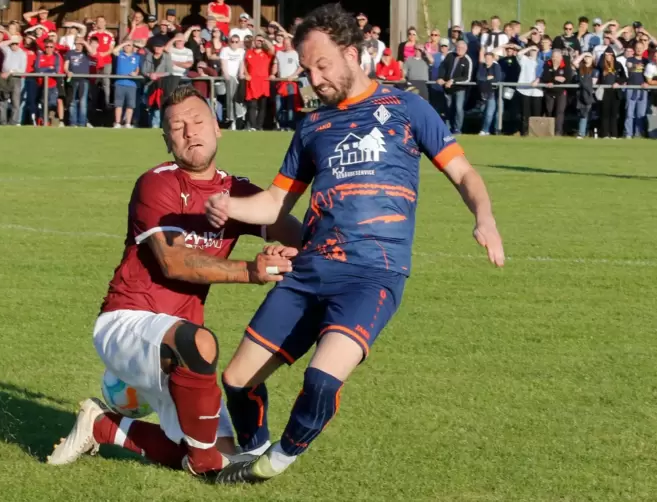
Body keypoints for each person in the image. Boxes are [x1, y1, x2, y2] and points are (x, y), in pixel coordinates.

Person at [206, 3, 504, 484]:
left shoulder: (407, 108)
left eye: (322, 65)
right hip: (307, 272)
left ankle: (276, 460)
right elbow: (273, 204)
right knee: (237, 381)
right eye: (306, 69)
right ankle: (253, 448)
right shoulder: (311, 127)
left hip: (372, 275)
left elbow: (463, 172)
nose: (314, 78)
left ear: (350, 53)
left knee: (321, 380)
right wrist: (229, 206)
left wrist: (484, 217)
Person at [46, 84, 300, 476]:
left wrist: (286, 255)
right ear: (167, 140)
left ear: (218, 127)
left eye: (197, 121)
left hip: (182, 353)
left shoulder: (237, 193)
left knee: (220, 461)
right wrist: (253, 269)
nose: (189, 132)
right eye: (177, 126)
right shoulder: (157, 183)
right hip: (126, 323)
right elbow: (174, 262)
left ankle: (102, 426)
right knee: (199, 341)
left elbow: (299, 237)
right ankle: (203, 457)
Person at [437, 40, 473, 134]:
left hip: (459, 88)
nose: (459, 49)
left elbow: (467, 78)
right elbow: (442, 67)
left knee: (458, 108)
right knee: (448, 108)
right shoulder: (450, 55)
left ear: (466, 49)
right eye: (458, 47)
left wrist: (453, 81)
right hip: (448, 88)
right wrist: (440, 77)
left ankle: (457, 129)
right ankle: (448, 128)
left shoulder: (467, 60)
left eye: (461, 48)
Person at [243, 33, 274, 131]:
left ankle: (259, 126)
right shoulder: (249, 53)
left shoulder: (267, 53)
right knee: (252, 105)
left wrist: (265, 41)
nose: (259, 42)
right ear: (254, 41)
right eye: (257, 40)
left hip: (264, 82)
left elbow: (272, 49)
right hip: (252, 82)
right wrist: (246, 73)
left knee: (262, 106)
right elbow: (243, 64)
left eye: (261, 41)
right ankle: (253, 126)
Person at [539, 49, 571, 136]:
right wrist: (555, 76)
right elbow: (545, 77)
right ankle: (548, 131)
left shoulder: (566, 64)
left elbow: (567, 78)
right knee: (549, 110)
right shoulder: (547, 64)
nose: (554, 59)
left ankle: (558, 132)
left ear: (561, 57)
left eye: (557, 57)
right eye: (553, 57)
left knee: (560, 112)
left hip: (561, 92)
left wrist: (554, 78)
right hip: (549, 92)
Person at [597, 47, 627, 139]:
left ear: (613, 55)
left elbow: (624, 77)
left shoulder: (618, 65)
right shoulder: (601, 65)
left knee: (614, 114)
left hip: (615, 92)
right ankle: (605, 134)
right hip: (605, 92)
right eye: (606, 55)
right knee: (605, 114)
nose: (608, 57)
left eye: (610, 55)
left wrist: (618, 82)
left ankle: (614, 134)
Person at [0, 35, 26, 126]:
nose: (14, 45)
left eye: (16, 44)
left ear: (19, 44)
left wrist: (10, 72)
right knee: (2, 100)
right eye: (12, 44)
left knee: (15, 101)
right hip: (4, 78)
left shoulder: (22, 54)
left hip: (15, 78)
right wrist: (11, 40)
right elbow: (0, 45)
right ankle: (2, 122)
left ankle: (13, 122)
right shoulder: (8, 50)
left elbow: (22, 70)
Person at [35, 38, 64, 126]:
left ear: (54, 48)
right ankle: (44, 120)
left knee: (52, 103)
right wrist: (49, 68)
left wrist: (45, 70)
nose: (49, 49)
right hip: (42, 84)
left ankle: (52, 118)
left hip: (53, 84)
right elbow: (37, 69)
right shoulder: (40, 56)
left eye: (51, 47)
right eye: (47, 47)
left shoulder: (56, 57)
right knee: (43, 103)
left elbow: (57, 69)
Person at [87, 17, 115, 108]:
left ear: (105, 23)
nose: (101, 23)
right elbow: (88, 47)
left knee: (106, 82)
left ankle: (106, 103)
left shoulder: (109, 34)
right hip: (94, 61)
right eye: (99, 21)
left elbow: (111, 49)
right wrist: (96, 55)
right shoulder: (91, 34)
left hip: (106, 61)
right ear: (96, 23)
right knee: (94, 82)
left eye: (103, 21)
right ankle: (93, 104)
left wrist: (102, 55)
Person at [111, 40, 140, 128]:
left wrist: (136, 73)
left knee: (130, 105)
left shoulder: (136, 57)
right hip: (119, 83)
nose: (127, 47)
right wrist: (124, 43)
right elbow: (114, 51)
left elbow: (137, 68)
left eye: (129, 46)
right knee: (118, 104)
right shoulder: (120, 55)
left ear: (132, 47)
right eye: (126, 46)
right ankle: (117, 123)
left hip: (131, 84)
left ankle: (128, 123)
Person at [64, 36, 92, 127]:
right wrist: (67, 71)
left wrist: (84, 42)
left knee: (83, 102)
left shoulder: (86, 53)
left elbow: (92, 52)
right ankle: (73, 122)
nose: (78, 45)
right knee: (72, 102)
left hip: (84, 81)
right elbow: (66, 65)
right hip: (73, 80)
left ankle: (82, 123)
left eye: (80, 44)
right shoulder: (70, 53)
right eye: (77, 43)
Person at [219, 34, 245, 129]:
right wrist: (226, 74)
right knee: (230, 97)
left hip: (237, 77)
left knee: (237, 97)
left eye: (236, 42)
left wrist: (241, 74)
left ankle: (239, 113)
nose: (234, 43)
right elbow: (223, 63)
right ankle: (232, 118)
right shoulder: (225, 50)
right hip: (229, 76)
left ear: (239, 43)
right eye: (232, 41)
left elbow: (242, 63)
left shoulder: (241, 51)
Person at [516, 45, 543, 136]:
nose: (533, 51)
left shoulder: (541, 62)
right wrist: (530, 47)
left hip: (537, 92)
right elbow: (519, 53)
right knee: (525, 114)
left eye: (535, 50)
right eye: (532, 50)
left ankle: (535, 133)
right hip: (525, 90)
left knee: (536, 114)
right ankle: (524, 132)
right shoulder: (525, 60)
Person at [623, 42, 649, 139]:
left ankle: (638, 134)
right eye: (637, 48)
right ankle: (628, 133)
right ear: (634, 49)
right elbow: (629, 67)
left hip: (643, 90)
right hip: (631, 89)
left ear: (643, 49)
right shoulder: (630, 59)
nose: (639, 49)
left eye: (640, 48)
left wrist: (647, 83)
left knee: (640, 114)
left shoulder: (646, 61)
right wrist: (635, 67)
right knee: (629, 113)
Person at [476, 51, 503, 135]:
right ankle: (485, 129)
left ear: (493, 59)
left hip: (492, 93)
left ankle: (485, 130)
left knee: (489, 113)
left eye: (489, 58)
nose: (488, 60)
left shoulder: (496, 66)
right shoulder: (482, 66)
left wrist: (484, 79)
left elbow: (497, 78)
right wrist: (488, 78)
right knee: (483, 111)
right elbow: (478, 77)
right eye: (486, 58)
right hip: (482, 93)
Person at [571, 52, 597, 139]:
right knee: (582, 114)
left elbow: (593, 83)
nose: (586, 58)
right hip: (580, 94)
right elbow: (574, 62)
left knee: (586, 114)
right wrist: (584, 54)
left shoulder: (595, 70)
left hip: (590, 95)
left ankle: (582, 133)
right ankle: (583, 132)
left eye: (588, 57)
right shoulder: (581, 68)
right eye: (585, 57)